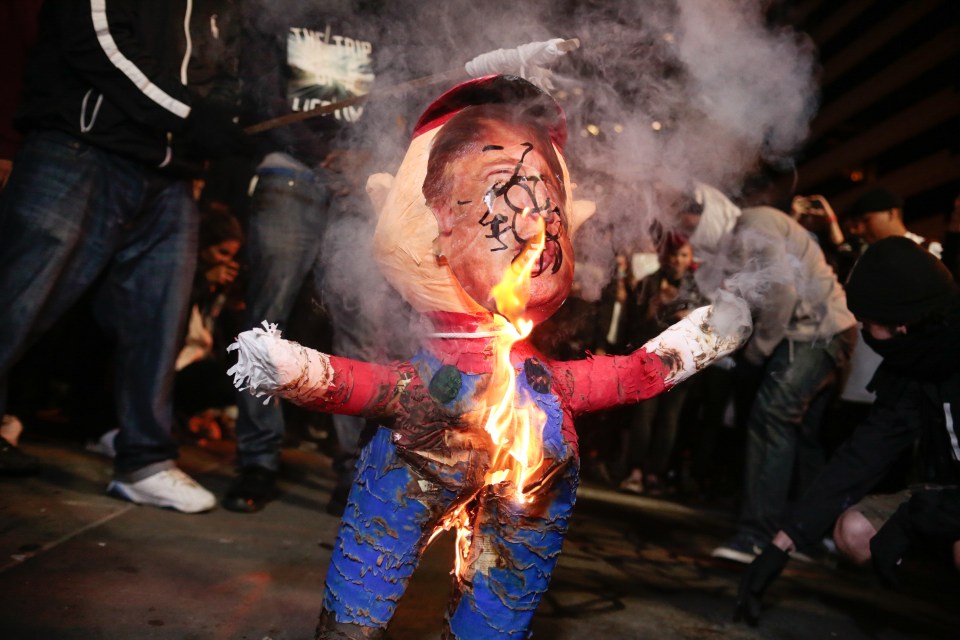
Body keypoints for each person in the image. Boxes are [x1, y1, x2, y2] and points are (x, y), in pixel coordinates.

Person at [227, 75, 751, 639]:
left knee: (500, 602)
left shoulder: (538, 370)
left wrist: (689, 345)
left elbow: (623, 376)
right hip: (413, 464)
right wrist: (299, 371)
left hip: (534, 485)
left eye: (546, 201)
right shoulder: (429, 363)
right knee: (367, 575)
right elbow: (372, 387)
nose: (531, 223)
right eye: (497, 194)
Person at [0, 0, 246, 510]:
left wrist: (220, 112)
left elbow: (226, 71)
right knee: (15, 301)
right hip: (80, 149)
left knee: (160, 323)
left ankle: (144, 461)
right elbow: (100, 43)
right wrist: (190, 115)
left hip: (169, 174)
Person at [734, 236, 960, 625]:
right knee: (855, 532)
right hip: (947, 494)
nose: (862, 329)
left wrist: (926, 516)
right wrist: (780, 546)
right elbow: (863, 456)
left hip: (951, 504)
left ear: (903, 324)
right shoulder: (914, 364)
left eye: (869, 322)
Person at [221, 0, 387, 515]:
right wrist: (321, 153)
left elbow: (389, 96)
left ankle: (353, 468)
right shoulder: (279, 12)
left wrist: (367, 156)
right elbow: (262, 94)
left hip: (357, 182)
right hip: (290, 167)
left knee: (360, 326)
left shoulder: (374, 20)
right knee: (267, 320)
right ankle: (257, 459)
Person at [681, 183, 859, 563]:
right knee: (802, 434)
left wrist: (758, 353)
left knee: (770, 419)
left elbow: (781, 292)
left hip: (813, 334)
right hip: (828, 331)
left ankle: (757, 536)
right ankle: (808, 536)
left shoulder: (755, 221)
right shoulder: (752, 230)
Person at [620, 233, 707, 495]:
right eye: (674, 255)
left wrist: (687, 319)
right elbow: (635, 322)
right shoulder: (651, 282)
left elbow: (706, 327)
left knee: (670, 418)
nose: (678, 260)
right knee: (644, 414)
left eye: (684, 255)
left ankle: (655, 473)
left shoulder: (697, 289)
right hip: (653, 356)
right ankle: (635, 470)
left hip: (683, 361)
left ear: (691, 259)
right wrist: (658, 307)